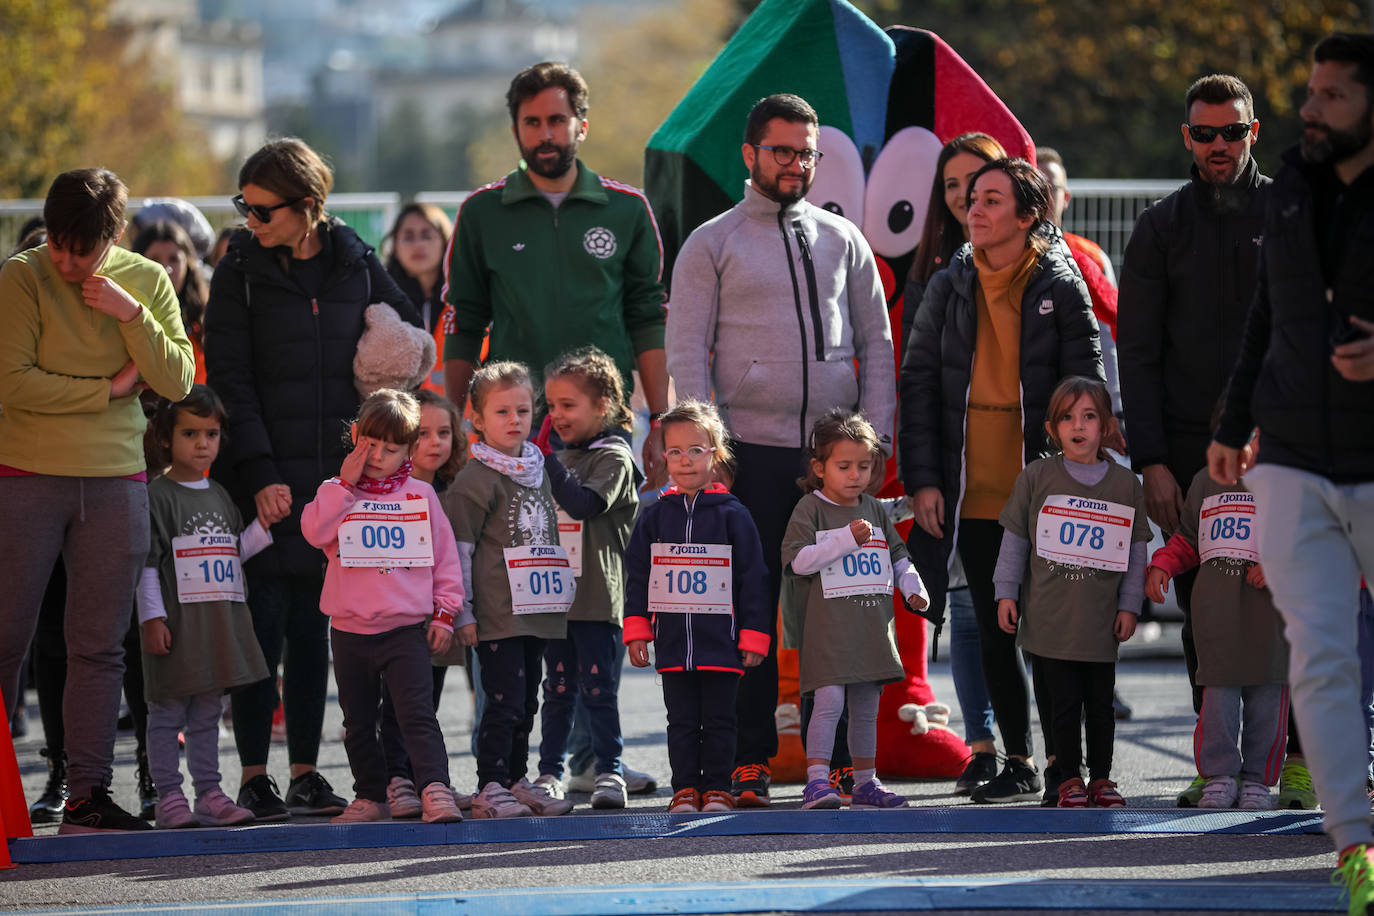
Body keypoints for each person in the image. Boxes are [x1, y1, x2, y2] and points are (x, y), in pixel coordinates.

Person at [666, 93, 895, 806]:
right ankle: (749, 760)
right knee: (751, 609)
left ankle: (854, 767)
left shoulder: (843, 238)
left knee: (847, 607)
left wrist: (876, 444)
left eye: (807, 152)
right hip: (750, 455)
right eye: (783, 151)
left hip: (835, 464)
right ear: (750, 154)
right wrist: (709, 450)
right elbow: (687, 349)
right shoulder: (712, 241)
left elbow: (877, 346)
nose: (796, 164)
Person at [1204, 32, 1374, 908]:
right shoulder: (1293, 193)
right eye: (1310, 92)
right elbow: (1267, 310)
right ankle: (1357, 852)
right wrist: (1235, 423)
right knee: (1319, 659)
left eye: (1334, 96)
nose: (1311, 108)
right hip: (1295, 459)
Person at [205, 138, 420, 821]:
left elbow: (408, 335)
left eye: (262, 209)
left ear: (307, 207)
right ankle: (251, 776)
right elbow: (229, 380)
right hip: (264, 480)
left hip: (337, 484)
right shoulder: (237, 268)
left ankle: (304, 772)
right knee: (260, 633)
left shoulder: (355, 259)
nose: (250, 220)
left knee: (311, 628)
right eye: (244, 206)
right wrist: (261, 473)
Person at [899, 157, 1103, 805]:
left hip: (1043, 489)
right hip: (971, 487)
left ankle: (1067, 765)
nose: (974, 209)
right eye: (970, 199)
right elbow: (920, 385)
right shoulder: (947, 283)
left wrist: (1078, 477)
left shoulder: (1062, 286)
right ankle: (1018, 760)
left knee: (1053, 634)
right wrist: (926, 480)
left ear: (1028, 214)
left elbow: (1088, 387)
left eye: (991, 200)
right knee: (993, 626)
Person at [0, 167, 194, 833]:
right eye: (56, 242)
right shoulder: (20, 276)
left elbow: (175, 377)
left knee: (99, 647)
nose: (64, 259)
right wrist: (107, 391)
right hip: (22, 475)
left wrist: (131, 315)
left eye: (79, 248)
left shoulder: (146, 280)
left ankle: (87, 794)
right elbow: (12, 383)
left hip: (116, 481)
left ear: (113, 236)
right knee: (7, 638)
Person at [1116, 75, 1270, 803]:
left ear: (1253, 132)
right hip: (1182, 450)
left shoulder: (1290, 214)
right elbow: (1137, 352)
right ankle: (1215, 771)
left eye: (1231, 132)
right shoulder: (1159, 226)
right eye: (1204, 133)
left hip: (1281, 448)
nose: (1218, 145)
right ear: (1186, 136)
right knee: (1205, 615)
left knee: (1289, 611)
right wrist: (1150, 460)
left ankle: (1288, 763)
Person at [442, 61, 669, 480]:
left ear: (581, 126)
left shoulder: (628, 209)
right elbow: (464, 320)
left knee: (604, 542)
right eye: (531, 122)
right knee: (514, 544)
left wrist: (660, 419)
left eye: (557, 120)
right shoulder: (481, 212)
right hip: (512, 423)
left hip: (605, 423)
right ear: (515, 130)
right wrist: (453, 423)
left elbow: (649, 318)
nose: (544, 134)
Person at [299, 389, 469, 824]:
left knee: (416, 714)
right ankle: (370, 795)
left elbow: (444, 557)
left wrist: (446, 611)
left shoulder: (420, 496)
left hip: (404, 629)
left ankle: (434, 788)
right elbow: (315, 532)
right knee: (357, 721)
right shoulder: (335, 491)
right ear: (354, 436)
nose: (376, 456)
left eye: (390, 449)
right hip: (350, 630)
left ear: (408, 451)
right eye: (369, 445)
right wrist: (345, 483)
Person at [900, 131, 1006, 796]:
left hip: (1025, 467)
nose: (965, 198)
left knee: (1031, 612)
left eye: (977, 184)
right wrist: (926, 478)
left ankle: (1043, 753)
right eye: (951, 187)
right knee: (968, 608)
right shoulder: (929, 276)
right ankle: (985, 744)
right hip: (956, 470)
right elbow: (916, 385)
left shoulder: (1046, 265)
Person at [992, 376, 1149, 808]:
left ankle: (1101, 778)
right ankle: (1067, 778)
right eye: (1067, 417)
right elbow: (1014, 542)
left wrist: (1131, 605)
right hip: (1049, 620)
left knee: (1100, 706)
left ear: (1106, 426)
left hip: (1101, 622)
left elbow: (1137, 553)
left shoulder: (1125, 485)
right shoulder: (1036, 477)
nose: (1077, 426)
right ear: (1052, 428)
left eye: (1089, 416)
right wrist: (1006, 593)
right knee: (1061, 706)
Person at [137, 387, 276, 828]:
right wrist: (152, 618)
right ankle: (169, 797)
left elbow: (230, 552)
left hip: (216, 626)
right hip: (178, 627)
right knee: (167, 713)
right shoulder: (156, 495)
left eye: (211, 434)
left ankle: (210, 793)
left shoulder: (218, 494)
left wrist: (263, 527)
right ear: (164, 439)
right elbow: (147, 564)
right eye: (190, 433)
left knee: (208, 714)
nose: (202, 444)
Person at [624, 400, 771, 814]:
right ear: (662, 456)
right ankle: (686, 789)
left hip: (722, 643)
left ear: (716, 454)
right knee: (682, 722)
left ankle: (719, 788)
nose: (685, 460)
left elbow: (754, 578)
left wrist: (754, 634)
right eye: (675, 451)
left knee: (722, 721)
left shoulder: (734, 515)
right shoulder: (653, 517)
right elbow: (637, 575)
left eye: (695, 450)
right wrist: (636, 628)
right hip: (673, 645)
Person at [780, 409, 929, 810]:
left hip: (871, 632)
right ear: (819, 467)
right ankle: (816, 781)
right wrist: (844, 540)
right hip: (828, 635)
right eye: (843, 466)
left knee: (866, 710)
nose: (855, 475)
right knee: (828, 706)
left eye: (864, 465)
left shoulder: (875, 509)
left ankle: (865, 783)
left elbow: (898, 555)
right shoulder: (810, 509)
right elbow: (797, 562)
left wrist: (913, 588)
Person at [442, 362, 572, 819]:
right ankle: (489, 785)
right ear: (477, 419)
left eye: (523, 409)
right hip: (497, 611)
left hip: (536, 608)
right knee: (500, 700)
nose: (515, 419)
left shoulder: (537, 469)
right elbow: (458, 551)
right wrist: (463, 614)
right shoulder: (474, 480)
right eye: (502, 411)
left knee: (526, 699)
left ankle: (516, 780)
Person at [1146, 444, 1289, 810]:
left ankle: (1257, 781)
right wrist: (1163, 563)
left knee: (1267, 706)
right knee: (1217, 708)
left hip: (1271, 628)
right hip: (1217, 621)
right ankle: (1221, 776)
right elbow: (1187, 538)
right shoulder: (1204, 482)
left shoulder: (1287, 483)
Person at [531, 347, 642, 810]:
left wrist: (544, 460)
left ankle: (608, 771)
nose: (555, 415)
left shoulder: (613, 457)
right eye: (550, 405)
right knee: (555, 691)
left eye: (567, 405)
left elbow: (583, 505)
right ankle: (549, 773)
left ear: (602, 406)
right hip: (555, 602)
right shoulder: (557, 456)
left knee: (598, 689)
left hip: (597, 601)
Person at [378, 389, 470, 817]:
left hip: (439, 615)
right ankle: (395, 779)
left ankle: (425, 780)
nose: (435, 442)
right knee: (396, 704)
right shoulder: (384, 493)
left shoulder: (457, 491)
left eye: (445, 432)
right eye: (424, 433)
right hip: (396, 617)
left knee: (424, 702)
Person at [385, 203, 453, 393]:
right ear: (395, 245)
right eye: (408, 237)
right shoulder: (380, 299)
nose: (418, 245)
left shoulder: (464, 296)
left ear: (445, 241)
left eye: (426, 235)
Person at [133, 221, 210, 385]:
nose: (165, 269)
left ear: (188, 265)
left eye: (174, 259)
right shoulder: (124, 315)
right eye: (154, 259)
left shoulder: (206, 318)